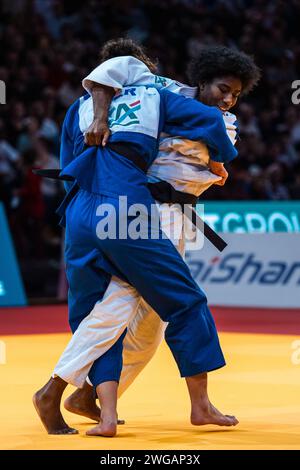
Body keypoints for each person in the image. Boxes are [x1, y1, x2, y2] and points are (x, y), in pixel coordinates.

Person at [33, 42, 259, 437]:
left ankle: (92, 399)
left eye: (235, 94)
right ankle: (62, 389)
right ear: (140, 69)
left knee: (135, 323)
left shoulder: (80, 108)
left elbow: (72, 160)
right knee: (140, 302)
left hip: (86, 206)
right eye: (224, 89)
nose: (228, 98)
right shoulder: (157, 93)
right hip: (139, 210)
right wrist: (219, 159)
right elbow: (210, 129)